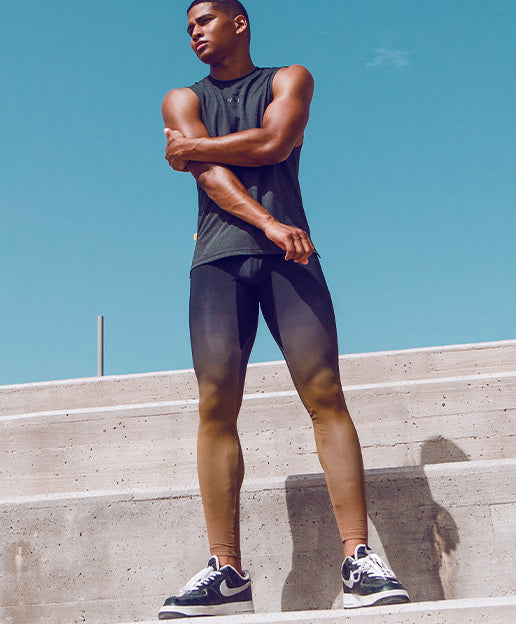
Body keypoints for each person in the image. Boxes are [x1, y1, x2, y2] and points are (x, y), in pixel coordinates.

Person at [158, 0, 410, 618]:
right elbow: (210, 176)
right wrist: (267, 221)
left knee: (325, 392)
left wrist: (195, 148)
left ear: (238, 22)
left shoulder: (289, 78)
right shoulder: (180, 99)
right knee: (216, 404)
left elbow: (275, 142)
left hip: (292, 259)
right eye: (188, 27)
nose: (193, 34)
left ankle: (359, 560)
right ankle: (226, 572)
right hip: (220, 260)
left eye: (203, 21)